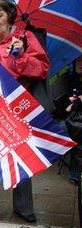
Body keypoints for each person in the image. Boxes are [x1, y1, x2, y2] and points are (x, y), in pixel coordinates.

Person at [0, 0, 50, 223]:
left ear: (9, 16)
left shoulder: (26, 39)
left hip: (18, 109)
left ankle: (24, 208)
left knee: (21, 156)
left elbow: (42, 69)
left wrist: (22, 57)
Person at [53, 55, 82, 184]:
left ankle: (75, 174)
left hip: (77, 122)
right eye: (78, 60)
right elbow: (62, 108)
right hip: (70, 119)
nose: (80, 64)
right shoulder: (67, 80)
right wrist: (72, 104)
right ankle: (75, 173)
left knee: (78, 133)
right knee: (72, 131)